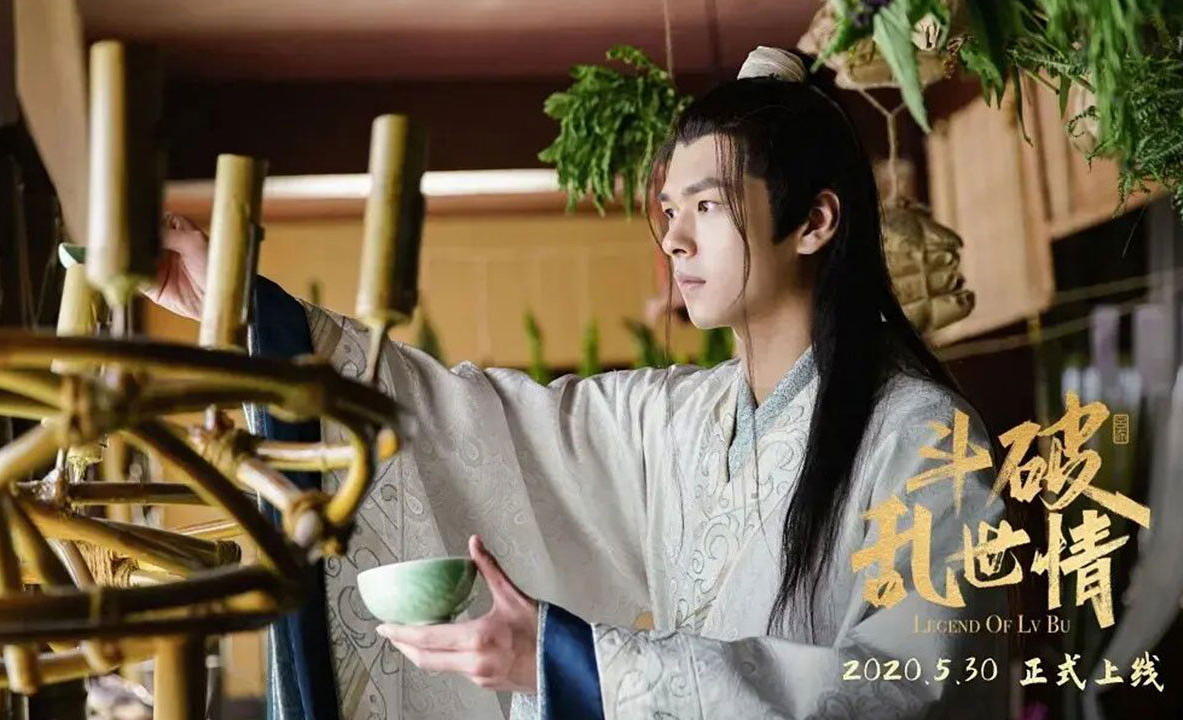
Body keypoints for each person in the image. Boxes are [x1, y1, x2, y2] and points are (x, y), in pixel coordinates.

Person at [148, 47, 1008, 720]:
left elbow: (915, 689)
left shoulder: (922, 438)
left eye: (708, 206)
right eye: (668, 211)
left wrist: (577, 665)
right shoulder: (680, 418)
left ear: (814, 221)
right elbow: (477, 427)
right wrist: (249, 309)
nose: (674, 240)